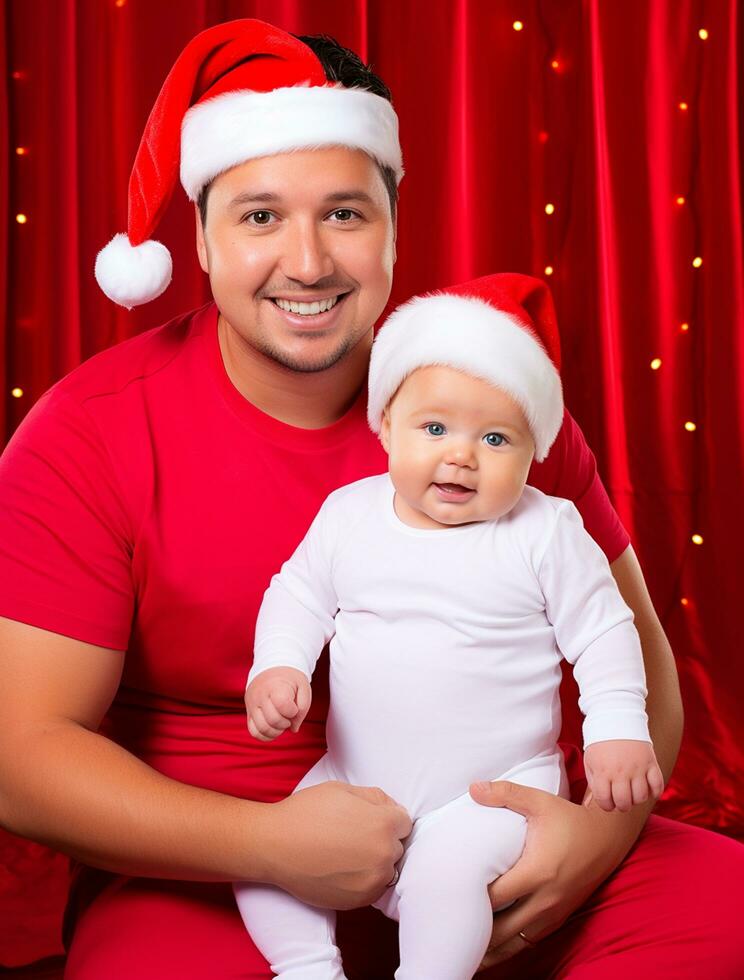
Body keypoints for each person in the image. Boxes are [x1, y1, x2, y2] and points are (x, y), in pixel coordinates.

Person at [0, 16, 741, 980]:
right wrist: (267, 847)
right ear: (202, 237)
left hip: (500, 839)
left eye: (344, 213)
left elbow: (634, 658)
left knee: (726, 913)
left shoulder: (486, 395)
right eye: (260, 216)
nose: (308, 263)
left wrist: (588, 847)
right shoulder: (91, 432)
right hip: (222, 874)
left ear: (394, 223)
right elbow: (20, 753)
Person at [235, 273, 665, 980]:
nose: (460, 454)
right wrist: (279, 664)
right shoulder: (350, 514)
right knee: (261, 860)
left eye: (495, 437)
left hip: (488, 795)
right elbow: (300, 594)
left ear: (535, 451)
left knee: (446, 878)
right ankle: (307, 967)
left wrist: (617, 725)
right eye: (434, 428)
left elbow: (604, 631)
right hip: (352, 777)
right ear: (386, 426)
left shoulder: (546, 530)